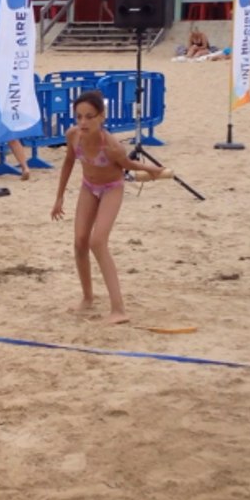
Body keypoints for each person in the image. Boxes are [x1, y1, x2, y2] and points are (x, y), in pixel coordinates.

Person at [51, 90, 168, 326]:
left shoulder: (112, 145)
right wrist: (59, 197)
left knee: (98, 241)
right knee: (80, 240)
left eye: (89, 116)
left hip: (112, 188)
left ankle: (119, 309)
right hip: (88, 187)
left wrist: (153, 169)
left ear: (102, 117)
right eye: (79, 116)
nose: (83, 122)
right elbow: (68, 163)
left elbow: (127, 164)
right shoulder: (73, 135)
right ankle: (87, 297)